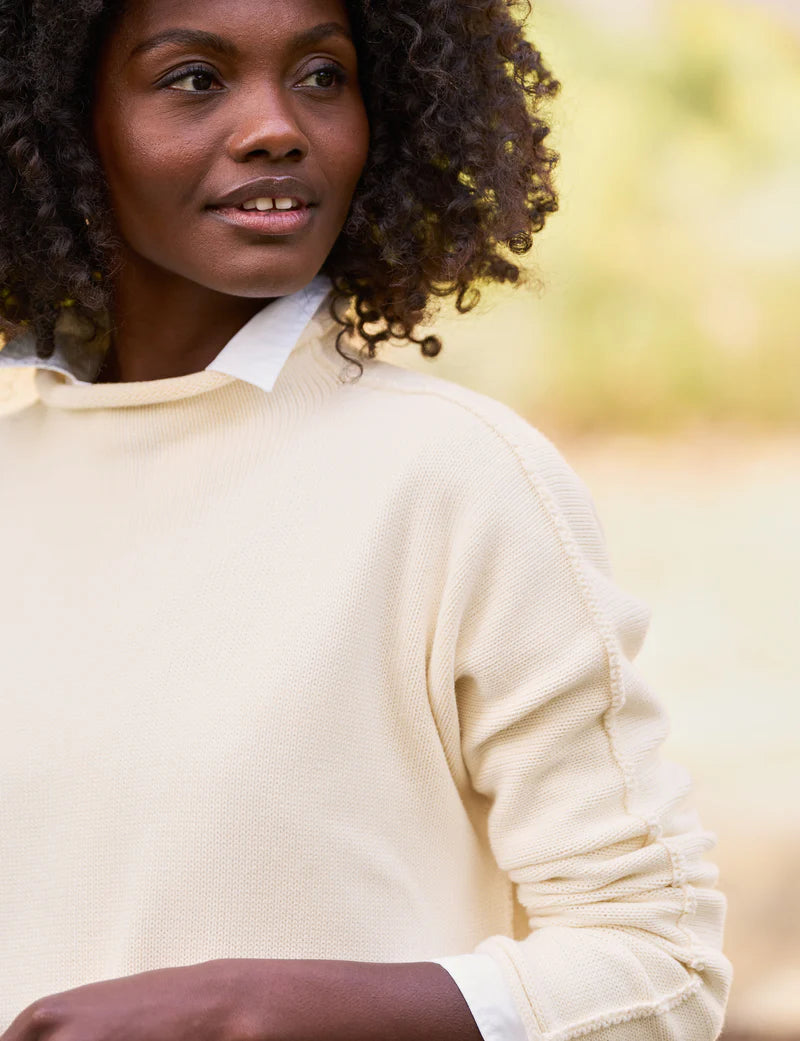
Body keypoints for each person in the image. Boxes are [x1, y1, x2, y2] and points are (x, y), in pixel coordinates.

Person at [0, 1, 732, 1040]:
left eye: (321, 75)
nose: (277, 127)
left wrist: (248, 1009)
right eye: (195, 79)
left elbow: (659, 969)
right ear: (66, 123)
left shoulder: (455, 479)